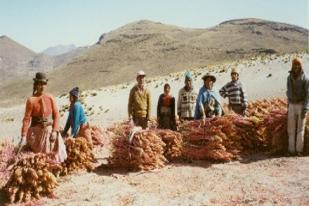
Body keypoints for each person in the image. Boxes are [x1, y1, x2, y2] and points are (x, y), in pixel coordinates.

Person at [19, 72, 67, 163]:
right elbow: (26, 119)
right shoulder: (31, 100)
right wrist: (23, 135)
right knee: (39, 157)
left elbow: (56, 114)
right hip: (36, 133)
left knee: (56, 146)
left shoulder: (50, 97)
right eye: (40, 84)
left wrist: (55, 131)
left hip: (49, 130)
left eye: (44, 84)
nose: (42, 87)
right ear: (36, 85)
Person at [286, 57, 309, 156]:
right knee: (291, 129)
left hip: (301, 105)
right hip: (292, 104)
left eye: (298, 64)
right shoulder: (289, 77)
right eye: (295, 64)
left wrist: (306, 107)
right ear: (292, 65)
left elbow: (308, 94)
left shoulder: (305, 78)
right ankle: (291, 150)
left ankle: (299, 150)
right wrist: (288, 105)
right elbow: (288, 91)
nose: (296, 66)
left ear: (301, 66)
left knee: (300, 129)